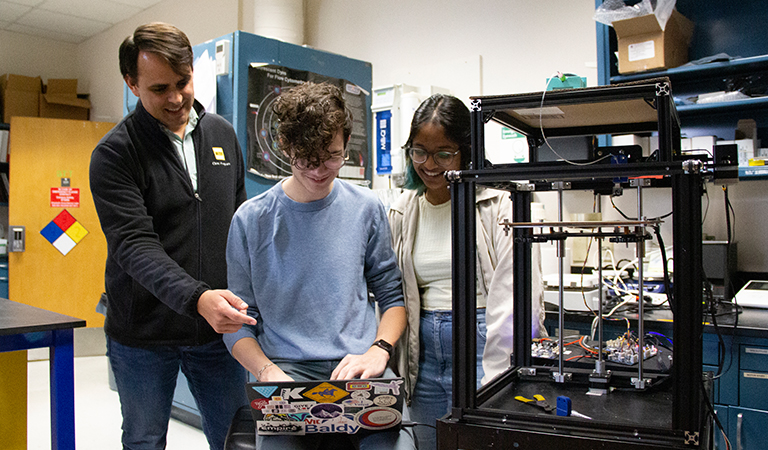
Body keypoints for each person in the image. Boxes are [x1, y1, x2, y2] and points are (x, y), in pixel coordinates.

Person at [222, 81, 415, 450]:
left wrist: (379, 350)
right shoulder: (251, 220)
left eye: (331, 155)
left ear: (346, 144)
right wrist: (266, 371)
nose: (319, 170)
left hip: (357, 365)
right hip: (285, 371)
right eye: (305, 158)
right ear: (285, 147)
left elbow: (393, 299)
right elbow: (236, 324)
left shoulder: (366, 208)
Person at [89, 22, 255, 450]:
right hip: (144, 336)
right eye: (160, 88)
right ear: (131, 83)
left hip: (217, 333)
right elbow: (134, 246)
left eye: (183, 82)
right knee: (145, 440)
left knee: (237, 440)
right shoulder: (115, 154)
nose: (177, 97)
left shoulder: (221, 133)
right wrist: (198, 297)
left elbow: (239, 225)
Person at [387, 94, 546, 450]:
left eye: (444, 153)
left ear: (467, 150)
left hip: (483, 344)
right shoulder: (403, 211)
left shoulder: (500, 204)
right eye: (419, 152)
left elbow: (519, 296)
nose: (430, 164)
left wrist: (499, 373)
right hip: (423, 354)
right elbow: (395, 292)